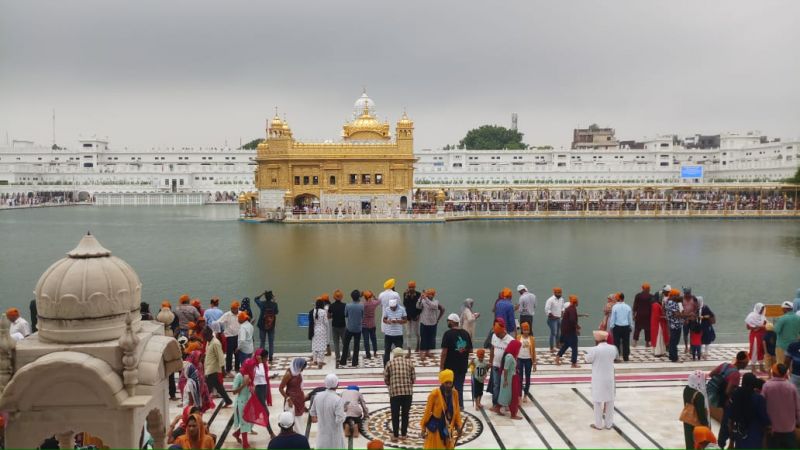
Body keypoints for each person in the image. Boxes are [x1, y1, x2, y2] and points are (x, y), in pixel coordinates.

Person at [709, 351, 749, 448]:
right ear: (742, 362)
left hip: (717, 396)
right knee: (726, 423)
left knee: (725, 422)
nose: (747, 365)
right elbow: (728, 391)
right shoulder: (735, 374)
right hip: (727, 402)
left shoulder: (725, 365)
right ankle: (721, 444)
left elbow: (711, 374)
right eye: (747, 363)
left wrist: (720, 383)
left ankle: (721, 443)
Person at [420, 370, 463, 449]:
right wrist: (423, 428)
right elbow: (427, 412)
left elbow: (456, 411)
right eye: (446, 383)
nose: (449, 385)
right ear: (442, 383)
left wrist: (458, 426)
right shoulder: (434, 394)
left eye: (450, 383)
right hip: (436, 428)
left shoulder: (455, 393)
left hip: (448, 428)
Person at [585, 330, 618, 430]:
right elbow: (615, 357)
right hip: (609, 378)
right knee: (610, 401)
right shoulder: (613, 348)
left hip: (598, 379)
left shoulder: (594, 349)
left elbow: (587, 359)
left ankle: (598, 424)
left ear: (597, 340)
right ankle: (609, 424)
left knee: (597, 402)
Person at [761, 363, 800, 448]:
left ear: (773, 373)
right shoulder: (791, 387)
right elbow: (797, 408)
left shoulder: (767, 386)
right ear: (785, 373)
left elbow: (762, 406)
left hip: (772, 429)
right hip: (789, 429)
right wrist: (798, 422)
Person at [728, 372, 770, 449]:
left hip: (740, 434)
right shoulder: (758, 399)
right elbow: (764, 419)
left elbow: (730, 418)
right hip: (755, 434)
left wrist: (731, 441)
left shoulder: (736, 395)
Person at [440, 313, 473, 409]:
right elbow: (470, 350)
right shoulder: (465, 333)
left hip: (449, 366)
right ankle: (460, 405)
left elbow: (444, 352)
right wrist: (462, 349)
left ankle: (448, 406)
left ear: (452, 322)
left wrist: (441, 367)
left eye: (448, 321)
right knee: (459, 387)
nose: (447, 322)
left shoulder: (447, 334)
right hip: (462, 366)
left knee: (447, 387)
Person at [384, 346, 416, 441]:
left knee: (395, 414)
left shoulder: (389, 363)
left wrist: (392, 384)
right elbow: (413, 379)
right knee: (405, 414)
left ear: (394, 355)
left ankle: (395, 435)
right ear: (402, 354)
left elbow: (386, 380)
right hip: (407, 393)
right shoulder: (409, 362)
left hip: (394, 393)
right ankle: (404, 434)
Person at [309, 373, 346, 450]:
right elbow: (339, 420)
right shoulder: (337, 399)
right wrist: (344, 412)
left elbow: (312, 412)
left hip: (321, 433)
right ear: (337, 385)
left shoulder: (317, 396)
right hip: (334, 436)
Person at [202, 327, 232, 406]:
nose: (204, 338)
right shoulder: (209, 342)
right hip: (209, 368)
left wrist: (223, 369)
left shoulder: (215, 343)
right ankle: (228, 400)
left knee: (207, 388)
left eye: (205, 336)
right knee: (219, 387)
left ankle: (203, 404)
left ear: (209, 334)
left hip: (212, 369)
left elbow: (220, 356)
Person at [488, 318, 513, 409]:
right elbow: (492, 349)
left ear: (503, 331)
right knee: (496, 385)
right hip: (495, 365)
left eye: (498, 334)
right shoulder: (494, 335)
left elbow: (513, 356)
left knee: (505, 386)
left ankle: (505, 403)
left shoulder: (510, 340)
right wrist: (490, 361)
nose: (496, 335)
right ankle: (495, 404)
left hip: (505, 368)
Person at [232, 358, 256, 448]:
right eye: (252, 367)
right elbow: (234, 391)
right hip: (241, 403)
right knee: (244, 422)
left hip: (249, 401)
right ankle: (245, 444)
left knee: (250, 420)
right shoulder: (239, 376)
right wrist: (244, 385)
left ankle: (237, 433)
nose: (253, 368)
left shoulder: (250, 375)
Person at [279, 358, 308, 434]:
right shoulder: (288, 374)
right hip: (291, 402)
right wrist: (288, 399)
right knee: (291, 420)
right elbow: (280, 388)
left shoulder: (298, 372)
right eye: (302, 368)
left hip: (299, 400)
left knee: (299, 421)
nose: (302, 370)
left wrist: (303, 401)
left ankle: (299, 437)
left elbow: (300, 388)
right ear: (297, 365)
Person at [682, 371, 710, 450]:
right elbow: (701, 415)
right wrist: (706, 426)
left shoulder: (686, 389)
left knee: (689, 441)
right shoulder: (699, 395)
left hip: (688, 419)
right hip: (696, 423)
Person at [496, 339, 522, 419]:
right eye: (518, 348)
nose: (519, 350)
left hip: (511, 377)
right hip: (510, 378)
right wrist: (506, 380)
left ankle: (498, 408)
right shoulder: (509, 357)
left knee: (506, 394)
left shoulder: (510, 355)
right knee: (513, 396)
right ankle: (513, 414)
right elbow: (506, 369)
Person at [250, 348, 273, 436]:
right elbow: (258, 375)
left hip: (264, 389)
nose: (267, 359)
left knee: (255, 414)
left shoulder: (263, 365)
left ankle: (238, 431)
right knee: (266, 412)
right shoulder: (255, 365)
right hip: (258, 390)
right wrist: (259, 362)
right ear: (260, 357)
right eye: (265, 358)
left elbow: (264, 377)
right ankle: (271, 433)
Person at [418, 288, 445, 359]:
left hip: (433, 323)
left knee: (431, 339)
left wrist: (425, 298)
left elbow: (433, 306)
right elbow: (418, 306)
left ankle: (427, 352)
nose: (430, 296)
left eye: (431, 295)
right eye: (429, 294)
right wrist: (420, 299)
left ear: (433, 295)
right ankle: (421, 353)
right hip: (424, 323)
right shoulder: (423, 300)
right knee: (423, 338)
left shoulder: (436, 302)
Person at [555, 295, 581, 368]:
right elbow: (572, 320)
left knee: (566, 345)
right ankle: (573, 363)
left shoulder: (569, 309)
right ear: (575, 302)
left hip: (566, 331)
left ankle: (557, 357)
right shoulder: (572, 309)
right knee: (575, 347)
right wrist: (577, 328)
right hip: (570, 331)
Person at [341, 289, 364, 367]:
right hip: (358, 328)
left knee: (346, 345)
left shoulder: (348, 305)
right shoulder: (361, 305)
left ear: (351, 297)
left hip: (349, 328)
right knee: (356, 346)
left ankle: (343, 361)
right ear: (358, 297)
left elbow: (346, 315)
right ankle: (355, 362)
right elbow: (362, 315)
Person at [254, 290, 279, 361]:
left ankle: (262, 356)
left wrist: (262, 293)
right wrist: (274, 300)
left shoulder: (262, 304)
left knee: (262, 341)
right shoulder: (274, 304)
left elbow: (255, 299)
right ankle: (270, 356)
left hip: (262, 325)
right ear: (271, 297)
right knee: (271, 342)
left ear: (265, 297)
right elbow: (277, 312)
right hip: (271, 325)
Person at [382, 298, 407, 366]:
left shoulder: (402, 309)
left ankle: (400, 366)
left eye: (393, 308)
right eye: (391, 307)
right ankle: (385, 368)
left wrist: (398, 321)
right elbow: (384, 319)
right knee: (387, 351)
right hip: (388, 334)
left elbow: (405, 320)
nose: (392, 309)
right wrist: (388, 321)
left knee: (399, 352)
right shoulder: (387, 309)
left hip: (398, 334)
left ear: (396, 305)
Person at [608, 293, 633, 362]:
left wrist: (611, 327)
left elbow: (613, 318)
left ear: (618, 299)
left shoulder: (615, 307)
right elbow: (630, 318)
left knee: (616, 343)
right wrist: (631, 326)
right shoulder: (628, 307)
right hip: (626, 327)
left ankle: (617, 357)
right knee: (626, 342)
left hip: (617, 327)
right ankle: (626, 357)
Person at [219, 301, 241, 374]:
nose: (233, 310)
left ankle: (237, 368)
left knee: (237, 353)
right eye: (232, 308)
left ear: (237, 308)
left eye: (235, 308)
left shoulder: (241, 314)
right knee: (229, 354)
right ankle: (228, 368)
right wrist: (220, 331)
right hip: (230, 337)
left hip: (238, 336)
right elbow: (219, 322)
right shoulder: (227, 315)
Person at [516, 322, 536, 400]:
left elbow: (533, 351)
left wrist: (534, 362)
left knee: (528, 377)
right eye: (524, 330)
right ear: (522, 330)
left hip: (528, 359)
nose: (526, 332)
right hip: (520, 359)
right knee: (519, 378)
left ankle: (526, 394)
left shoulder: (532, 339)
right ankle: (520, 394)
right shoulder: (518, 337)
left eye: (527, 330)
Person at [745, 302, 767, 372]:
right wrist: (757, 327)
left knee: (761, 350)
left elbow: (765, 325)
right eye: (761, 309)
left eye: (763, 309)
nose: (762, 310)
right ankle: (753, 367)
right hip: (755, 336)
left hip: (762, 335)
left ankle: (761, 366)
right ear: (758, 308)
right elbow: (748, 327)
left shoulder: (763, 317)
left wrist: (762, 327)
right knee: (754, 350)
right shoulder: (751, 316)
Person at [664, 289, 684, 362]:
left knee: (673, 341)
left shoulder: (670, 302)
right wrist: (687, 315)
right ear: (673, 295)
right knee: (674, 342)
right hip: (675, 325)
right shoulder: (672, 303)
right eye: (677, 295)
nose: (678, 296)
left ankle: (671, 356)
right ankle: (675, 358)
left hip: (674, 324)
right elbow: (677, 314)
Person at [309, 299, 329, 368]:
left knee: (315, 345)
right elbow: (326, 322)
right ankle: (321, 361)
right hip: (322, 330)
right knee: (322, 346)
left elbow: (312, 322)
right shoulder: (323, 312)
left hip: (315, 330)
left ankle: (314, 360)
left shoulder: (313, 311)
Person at [403, 281, 422, 351]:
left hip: (416, 316)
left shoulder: (418, 294)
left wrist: (418, 315)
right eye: (409, 287)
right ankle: (409, 349)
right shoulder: (405, 294)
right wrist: (406, 296)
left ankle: (418, 345)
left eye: (412, 287)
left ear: (414, 287)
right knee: (408, 334)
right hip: (407, 316)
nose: (411, 289)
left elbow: (420, 306)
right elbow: (405, 304)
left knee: (417, 332)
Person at [545, 287, 565, 352]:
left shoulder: (562, 299)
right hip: (552, 319)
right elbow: (547, 309)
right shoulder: (550, 300)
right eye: (558, 292)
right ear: (554, 293)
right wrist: (552, 315)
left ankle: (557, 345)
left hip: (559, 318)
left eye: (560, 292)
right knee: (554, 333)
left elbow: (562, 307)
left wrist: (562, 312)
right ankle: (551, 347)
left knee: (558, 333)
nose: (559, 294)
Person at [632, 283, 653, 347]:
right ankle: (647, 343)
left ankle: (635, 343)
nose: (649, 289)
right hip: (648, 315)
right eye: (649, 288)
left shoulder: (638, 295)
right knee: (648, 329)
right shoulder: (651, 296)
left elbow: (635, 306)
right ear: (647, 289)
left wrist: (633, 315)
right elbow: (652, 307)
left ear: (643, 288)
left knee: (637, 329)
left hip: (639, 315)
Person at [330, 289, 347, 363]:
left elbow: (329, 316)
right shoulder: (345, 305)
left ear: (334, 297)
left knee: (336, 343)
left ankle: (337, 357)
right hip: (343, 326)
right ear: (341, 297)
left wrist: (333, 316)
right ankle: (348, 355)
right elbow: (346, 315)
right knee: (345, 342)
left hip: (334, 326)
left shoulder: (331, 306)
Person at [362, 290, 380, 360]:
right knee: (373, 339)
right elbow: (379, 301)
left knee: (366, 340)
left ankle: (368, 354)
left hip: (364, 324)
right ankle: (375, 352)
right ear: (371, 296)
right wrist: (374, 296)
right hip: (372, 324)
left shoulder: (363, 304)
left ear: (365, 297)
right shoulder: (374, 303)